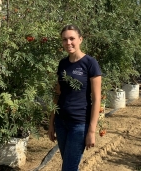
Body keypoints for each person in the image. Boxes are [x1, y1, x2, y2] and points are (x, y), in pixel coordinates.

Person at [48, 24, 102, 171]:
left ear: (80, 39)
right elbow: (57, 94)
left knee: (69, 168)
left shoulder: (90, 63)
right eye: (65, 39)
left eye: (72, 38)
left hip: (79, 124)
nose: (68, 43)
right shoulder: (63, 64)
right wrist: (51, 122)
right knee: (69, 165)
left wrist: (91, 131)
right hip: (61, 122)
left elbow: (97, 99)